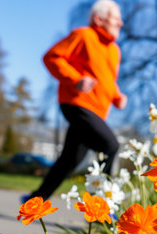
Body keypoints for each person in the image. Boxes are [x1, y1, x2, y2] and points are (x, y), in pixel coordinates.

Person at [22, 0, 127, 203]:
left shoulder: (114, 51)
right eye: (116, 19)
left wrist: (117, 97)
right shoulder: (83, 35)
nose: (120, 24)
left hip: (97, 110)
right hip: (77, 103)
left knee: (69, 161)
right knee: (111, 145)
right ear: (99, 19)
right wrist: (75, 79)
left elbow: (107, 80)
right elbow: (51, 57)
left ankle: (33, 201)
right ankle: (100, 208)